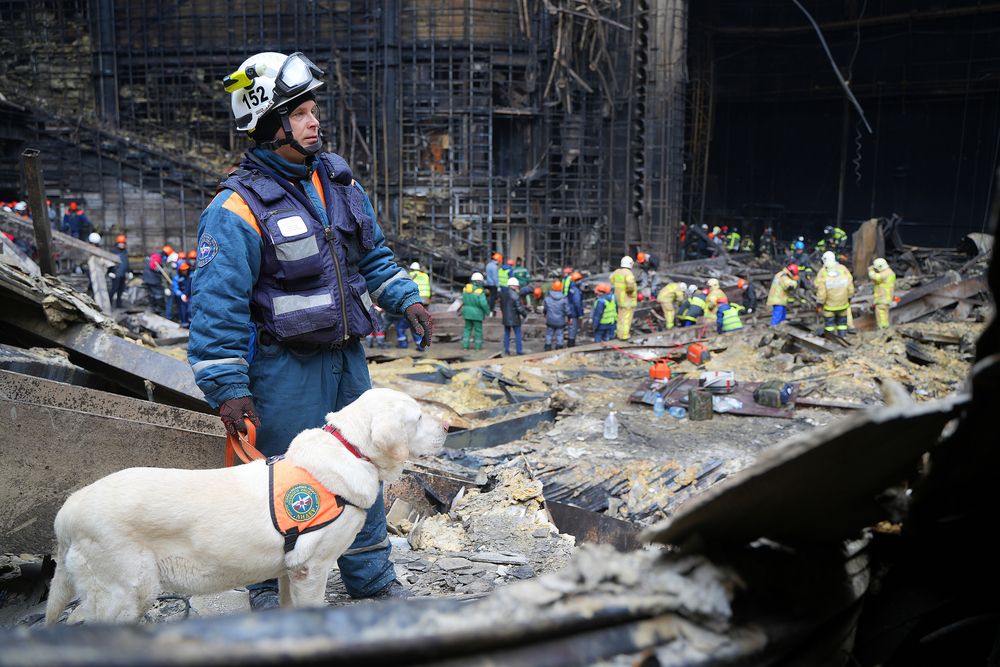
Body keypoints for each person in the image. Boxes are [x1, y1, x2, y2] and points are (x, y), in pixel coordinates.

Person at [188, 51, 431, 608]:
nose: (313, 121)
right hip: (283, 368)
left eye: (313, 109)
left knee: (362, 469)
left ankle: (373, 581)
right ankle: (271, 596)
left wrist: (405, 299)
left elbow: (372, 256)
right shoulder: (236, 208)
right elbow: (216, 307)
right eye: (299, 112)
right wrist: (229, 389)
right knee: (282, 484)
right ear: (270, 124)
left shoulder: (337, 181)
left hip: (347, 362)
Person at [815, 251, 854, 337]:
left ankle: (831, 339)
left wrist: (819, 303)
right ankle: (843, 337)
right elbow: (850, 286)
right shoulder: (843, 269)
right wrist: (849, 297)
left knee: (829, 324)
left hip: (829, 305)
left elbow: (821, 291)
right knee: (842, 323)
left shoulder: (823, 272)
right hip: (843, 304)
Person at [398, 261, 430, 350]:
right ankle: (421, 346)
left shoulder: (410, 275)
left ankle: (403, 345)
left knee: (402, 326)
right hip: (425, 301)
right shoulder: (425, 275)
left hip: (413, 301)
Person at [609, 256, 637, 340]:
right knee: (626, 318)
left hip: (619, 299)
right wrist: (630, 292)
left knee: (620, 317)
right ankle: (624, 335)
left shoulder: (617, 272)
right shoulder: (628, 273)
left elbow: (611, 279)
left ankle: (619, 333)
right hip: (627, 299)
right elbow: (630, 285)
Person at [500, 276, 527, 355]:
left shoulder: (503, 294)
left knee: (507, 334)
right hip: (515, 318)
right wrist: (525, 315)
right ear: (514, 285)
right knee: (518, 334)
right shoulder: (515, 295)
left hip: (506, 317)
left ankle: (506, 350)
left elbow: (502, 306)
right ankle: (519, 351)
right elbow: (520, 308)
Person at [462, 272, 489, 350]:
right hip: (477, 314)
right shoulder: (479, 291)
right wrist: (487, 311)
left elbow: (463, 300)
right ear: (479, 281)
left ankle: (465, 346)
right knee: (478, 331)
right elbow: (483, 303)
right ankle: (477, 347)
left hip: (467, 313)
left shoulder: (465, 289)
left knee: (467, 329)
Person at [868, 257, 897, 330]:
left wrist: (871, 270)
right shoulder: (890, 272)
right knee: (885, 314)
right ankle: (886, 327)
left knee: (880, 313)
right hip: (887, 297)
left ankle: (882, 328)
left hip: (882, 297)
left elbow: (875, 277)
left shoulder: (885, 273)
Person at [543, 279, 568, 351]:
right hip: (560, 320)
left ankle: (548, 346)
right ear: (561, 288)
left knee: (549, 334)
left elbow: (545, 309)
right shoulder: (564, 299)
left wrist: (545, 314)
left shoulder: (547, 298)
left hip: (550, 320)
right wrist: (569, 316)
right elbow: (567, 310)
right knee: (560, 334)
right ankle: (559, 347)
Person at [564, 271, 584, 347]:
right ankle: (571, 344)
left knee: (571, 328)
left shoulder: (571, 288)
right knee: (573, 329)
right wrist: (580, 314)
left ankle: (570, 342)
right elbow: (577, 303)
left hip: (570, 311)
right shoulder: (576, 291)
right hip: (574, 313)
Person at [171, 262, 192, 327]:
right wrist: (181, 295)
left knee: (191, 309)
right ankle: (184, 323)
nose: (185, 271)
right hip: (181, 297)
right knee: (182, 310)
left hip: (190, 295)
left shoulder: (191, 275)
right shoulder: (177, 278)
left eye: (186, 270)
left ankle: (191, 323)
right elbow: (175, 288)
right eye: (183, 270)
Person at [111, 234, 129, 308]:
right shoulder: (114, 251)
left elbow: (127, 262)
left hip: (123, 274)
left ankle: (119, 304)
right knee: (114, 289)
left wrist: (129, 271)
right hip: (116, 274)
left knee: (120, 290)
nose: (122, 245)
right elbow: (110, 262)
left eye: (123, 243)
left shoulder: (125, 252)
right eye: (120, 243)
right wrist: (111, 271)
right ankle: (109, 303)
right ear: (117, 243)